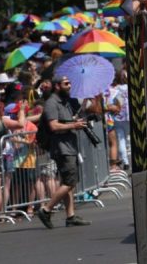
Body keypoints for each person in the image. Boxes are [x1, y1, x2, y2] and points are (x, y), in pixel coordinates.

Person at [37, 75, 91, 228]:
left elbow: (66, 120)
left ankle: (70, 216)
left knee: (68, 182)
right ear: (57, 86)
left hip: (69, 146)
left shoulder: (65, 101)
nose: (69, 85)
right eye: (66, 83)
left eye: (70, 83)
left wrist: (76, 120)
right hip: (62, 148)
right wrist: (74, 126)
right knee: (69, 182)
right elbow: (54, 126)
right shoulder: (52, 103)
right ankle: (46, 209)